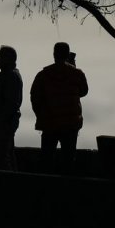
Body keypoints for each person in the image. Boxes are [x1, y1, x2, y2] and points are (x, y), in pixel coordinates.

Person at [30, 41, 89, 174]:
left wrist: (40, 115)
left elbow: (35, 97)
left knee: (46, 159)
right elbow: (84, 91)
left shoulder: (43, 75)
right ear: (67, 55)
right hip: (71, 124)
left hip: (49, 123)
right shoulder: (77, 74)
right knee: (68, 159)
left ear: (54, 54)